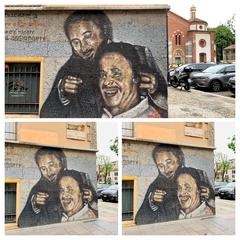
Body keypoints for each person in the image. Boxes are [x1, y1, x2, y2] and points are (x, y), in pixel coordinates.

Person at [40, 10, 167, 118]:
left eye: (87, 36)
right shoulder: (70, 69)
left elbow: (166, 104)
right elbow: (45, 115)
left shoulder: (139, 54)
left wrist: (155, 89)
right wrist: (61, 91)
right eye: (76, 42)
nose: (83, 48)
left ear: (103, 31)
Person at [135, 144, 214, 225]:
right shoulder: (156, 185)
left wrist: (209, 197)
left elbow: (213, 207)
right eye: (160, 166)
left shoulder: (199, 175)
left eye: (169, 162)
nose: (166, 170)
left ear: (179, 159)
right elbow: (139, 220)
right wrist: (151, 202)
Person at [18, 147, 67, 227]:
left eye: (51, 165)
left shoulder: (76, 178)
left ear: (61, 163)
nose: (49, 173)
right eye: (43, 169)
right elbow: (22, 223)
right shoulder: (38, 189)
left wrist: (90, 198)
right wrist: (34, 205)